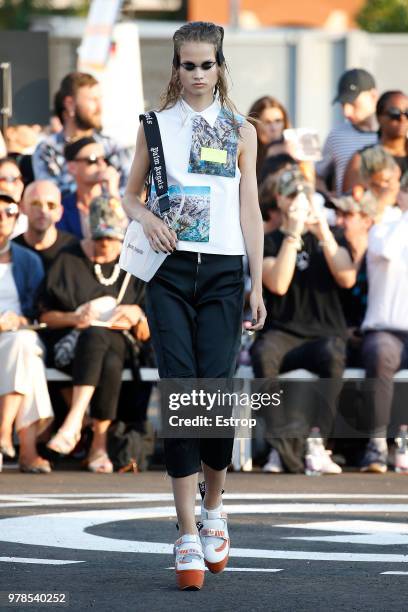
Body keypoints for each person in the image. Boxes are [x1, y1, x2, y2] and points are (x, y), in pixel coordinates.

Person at [122, 21, 265, 590]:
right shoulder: (153, 128)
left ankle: (214, 508)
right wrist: (149, 218)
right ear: (175, 67)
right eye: (188, 65)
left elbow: (249, 206)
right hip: (170, 273)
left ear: (220, 65)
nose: (198, 74)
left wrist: (257, 282)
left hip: (227, 272)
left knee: (216, 391)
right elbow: (129, 196)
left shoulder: (241, 130)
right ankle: (184, 529)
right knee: (180, 388)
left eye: (208, 64)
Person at [250, 168, 363, 475]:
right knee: (263, 354)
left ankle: (317, 443)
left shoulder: (332, 236)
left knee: (334, 355)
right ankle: (281, 445)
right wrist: (293, 234)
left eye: (303, 195)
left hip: (324, 333)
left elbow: (347, 277)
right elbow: (279, 283)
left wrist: (322, 233)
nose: (298, 201)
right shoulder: (270, 240)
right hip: (283, 332)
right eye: (291, 196)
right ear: (279, 200)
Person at [39, 197, 148, 473]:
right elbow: (45, 316)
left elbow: (148, 327)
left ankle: (75, 424)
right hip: (71, 345)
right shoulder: (68, 259)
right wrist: (74, 318)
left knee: (102, 342)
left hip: (123, 344)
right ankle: (97, 446)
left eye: (113, 240)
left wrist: (136, 313)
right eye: (100, 240)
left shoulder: (134, 262)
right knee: (98, 344)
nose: (106, 246)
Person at [0, 191, 54, 473]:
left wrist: (19, 320)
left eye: (8, 213)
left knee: (23, 344)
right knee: (27, 354)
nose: (2, 219)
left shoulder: (28, 260)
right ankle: (27, 451)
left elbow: (36, 310)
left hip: (17, 335)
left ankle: (5, 431)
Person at [358, 171, 408, 473]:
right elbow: (387, 252)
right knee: (380, 355)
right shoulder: (382, 229)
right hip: (384, 331)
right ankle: (376, 445)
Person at [32, 72, 130, 196]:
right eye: (92, 100)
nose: (99, 108)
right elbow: (49, 198)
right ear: (70, 104)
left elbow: (131, 195)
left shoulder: (113, 147)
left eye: (100, 99)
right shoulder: (47, 150)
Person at [316, 68, 378, 196]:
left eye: (353, 103)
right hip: (348, 212)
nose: (346, 112)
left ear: (373, 96)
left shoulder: (393, 133)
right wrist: (327, 198)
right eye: (343, 104)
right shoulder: (336, 135)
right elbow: (317, 176)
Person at [343, 91, 408, 192]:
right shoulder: (362, 159)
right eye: (394, 113)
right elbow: (348, 203)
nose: (402, 118)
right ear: (379, 117)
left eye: (407, 113)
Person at [58, 137, 121, 239]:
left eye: (104, 159)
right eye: (93, 160)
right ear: (72, 167)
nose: (102, 164)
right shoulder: (62, 207)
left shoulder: (118, 198)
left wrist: (113, 192)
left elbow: (125, 231)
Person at [13, 180, 78, 272]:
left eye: (51, 205)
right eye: (36, 204)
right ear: (22, 207)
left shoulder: (75, 251)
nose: (43, 210)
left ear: (60, 212)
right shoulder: (10, 253)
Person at [248, 96, 290, 181]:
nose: (274, 128)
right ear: (254, 125)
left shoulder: (292, 151)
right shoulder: (246, 151)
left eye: (278, 121)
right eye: (267, 122)